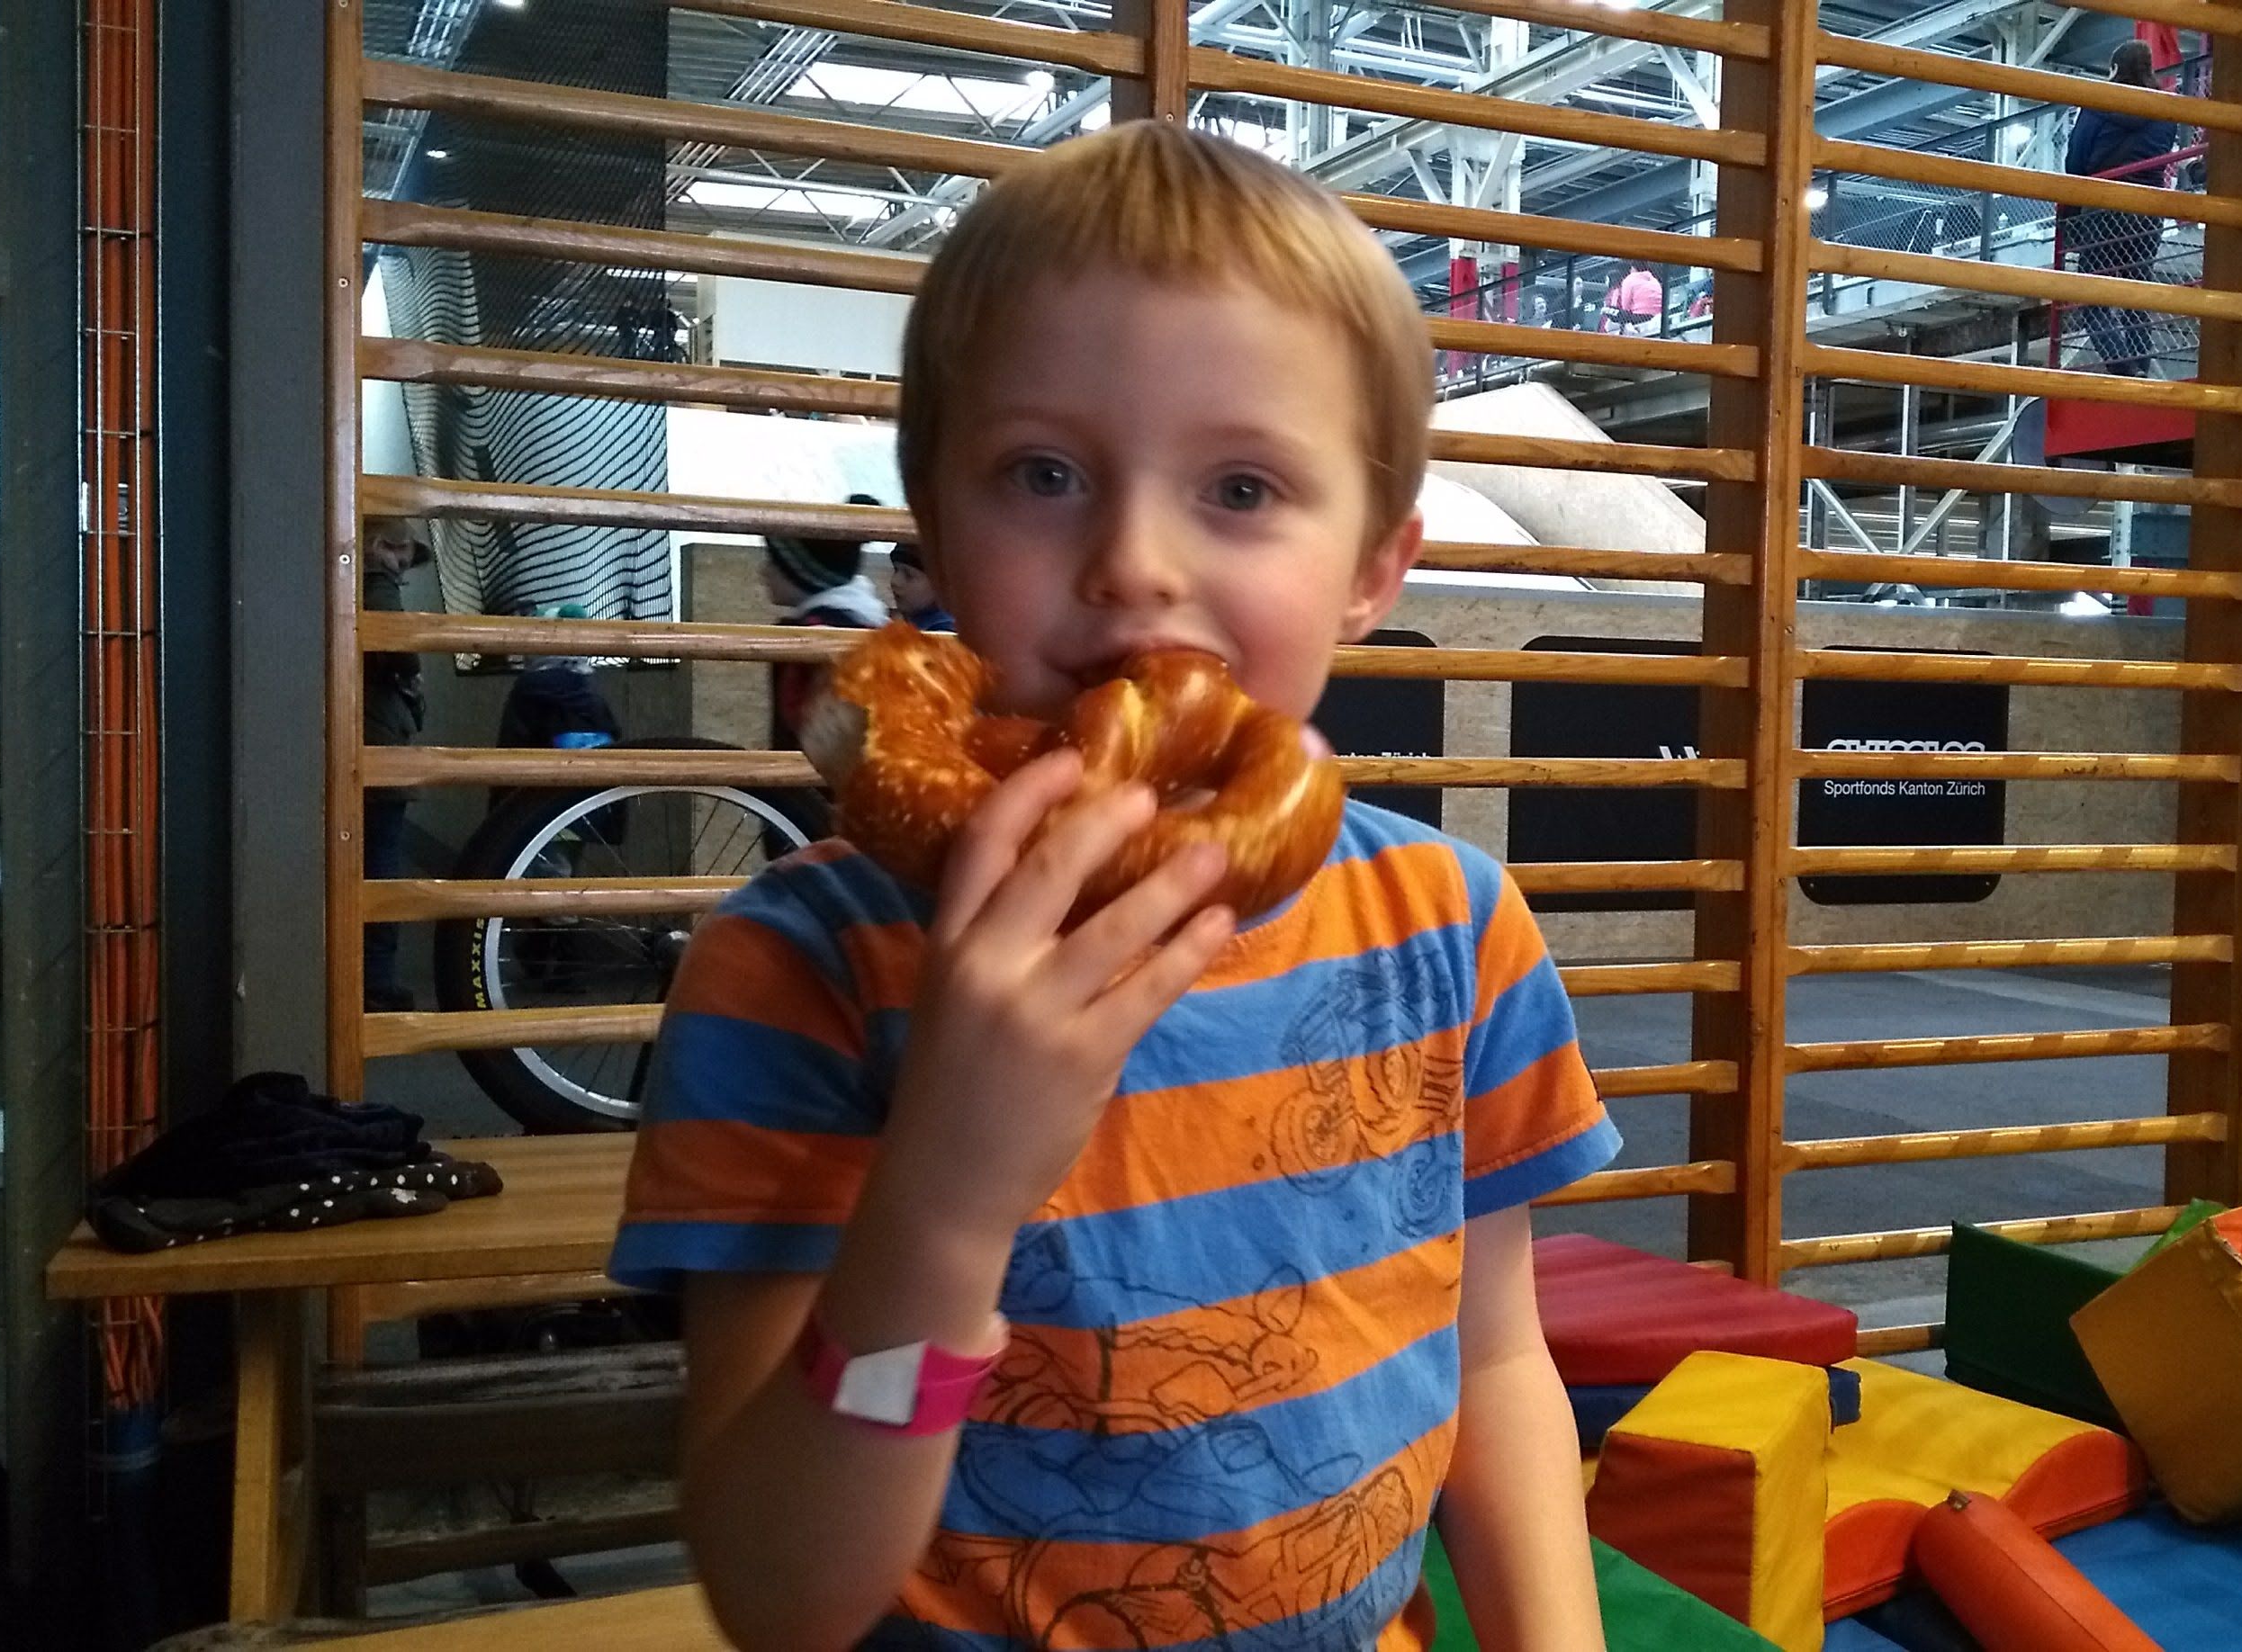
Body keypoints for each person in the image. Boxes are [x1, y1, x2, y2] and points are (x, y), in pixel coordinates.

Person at [608, 121, 1619, 1651]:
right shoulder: (801, 973)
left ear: (1373, 567)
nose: (1134, 562)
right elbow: (778, 1598)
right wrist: (947, 1199)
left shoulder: (1450, 927)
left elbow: (1489, 1361)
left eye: (1240, 487)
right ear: (935, 527)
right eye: (1045, 473)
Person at [2060, 40, 2180, 376]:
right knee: (2136, 296)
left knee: (2094, 301)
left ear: (2114, 69)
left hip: (2104, 208)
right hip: (2147, 210)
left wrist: (2070, 214)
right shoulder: (2166, 111)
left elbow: (2076, 160)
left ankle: (2123, 368)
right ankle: (2141, 367)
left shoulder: (2098, 104)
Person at [360, 516, 431, 1013]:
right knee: (382, 866)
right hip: (381, 742)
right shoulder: (377, 584)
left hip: (367, 736)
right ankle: (377, 979)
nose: (402, 563)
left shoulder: (345, 587)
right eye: (397, 550)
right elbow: (401, 652)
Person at [760, 494, 890, 750]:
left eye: (774, 562)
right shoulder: (872, 626)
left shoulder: (809, 635)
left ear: (802, 573)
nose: (763, 572)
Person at [884, 540, 953, 632]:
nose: (895, 581)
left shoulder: (943, 630)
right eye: (896, 570)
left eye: (909, 575)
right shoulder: (917, 621)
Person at [1602, 261, 1663, 336]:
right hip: (1657, 315)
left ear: (1633, 268)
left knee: (1607, 310)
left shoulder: (1629, 280)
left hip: (1640, 316)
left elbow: (1626, 307)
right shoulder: (1654, 280)